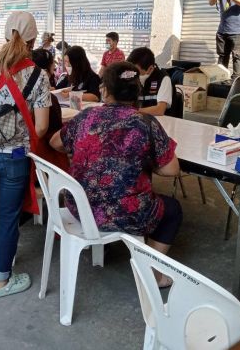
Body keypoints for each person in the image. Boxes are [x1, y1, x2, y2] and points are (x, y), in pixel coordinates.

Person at [50, 61, 182, 287]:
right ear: (137, 92)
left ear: (105, 90)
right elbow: (172, 169)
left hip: (80, 207)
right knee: (173, 210)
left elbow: (55, 142)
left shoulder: (87, 117)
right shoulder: (145, 123)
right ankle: (151, 273)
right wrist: (143, 161)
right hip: (126, 213)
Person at [0, 11, 51, 299]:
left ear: (3, 34)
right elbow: (41, 127)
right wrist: (15, 134)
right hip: (15, 158)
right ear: (34, 40)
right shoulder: (39, 76)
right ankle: (1, 280)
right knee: (8, 218)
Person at [31, 48, 69, 172]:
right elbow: (49, 129)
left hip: (30, 157)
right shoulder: (49, 98)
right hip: (49, 160)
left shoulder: (22, 93)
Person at [127, 47, 173, 116]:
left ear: (150, 69)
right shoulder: (129, 76)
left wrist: (132, 111)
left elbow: (160, 110)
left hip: (158, 120)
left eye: (136, 71)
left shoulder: (163, 78)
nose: (132, 74)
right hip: (136, 118)